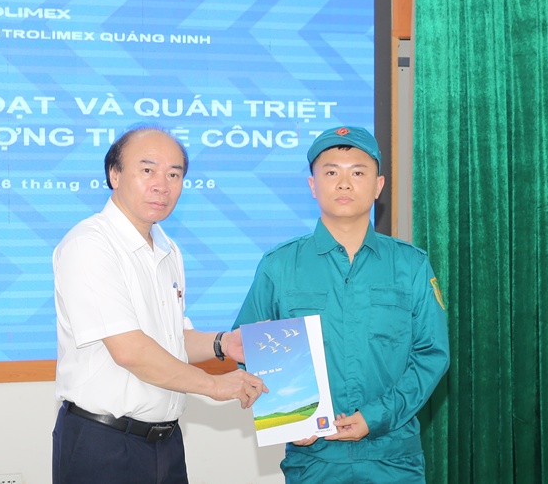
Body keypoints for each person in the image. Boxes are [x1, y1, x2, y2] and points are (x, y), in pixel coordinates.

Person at [52, 124, 268, 484]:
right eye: (148, 170)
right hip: (102, 443)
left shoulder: (167, 249)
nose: (162, 185)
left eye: (174, 174)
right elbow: (130, 350)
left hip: (165, 444)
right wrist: (214, 385)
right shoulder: (90, 245)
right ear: (114, 174)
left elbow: (170, 340)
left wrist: (223, 343)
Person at [233, 126, 449, 484]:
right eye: (331, 172)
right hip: (313, 460)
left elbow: (432, 355)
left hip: (393, 458)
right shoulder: (279, 266)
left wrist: (376, 417)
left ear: (378, 185)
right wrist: (290, 419)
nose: (344, 184)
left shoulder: (410, 265)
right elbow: (246, 349)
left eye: (358, 173)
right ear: (312, 185)